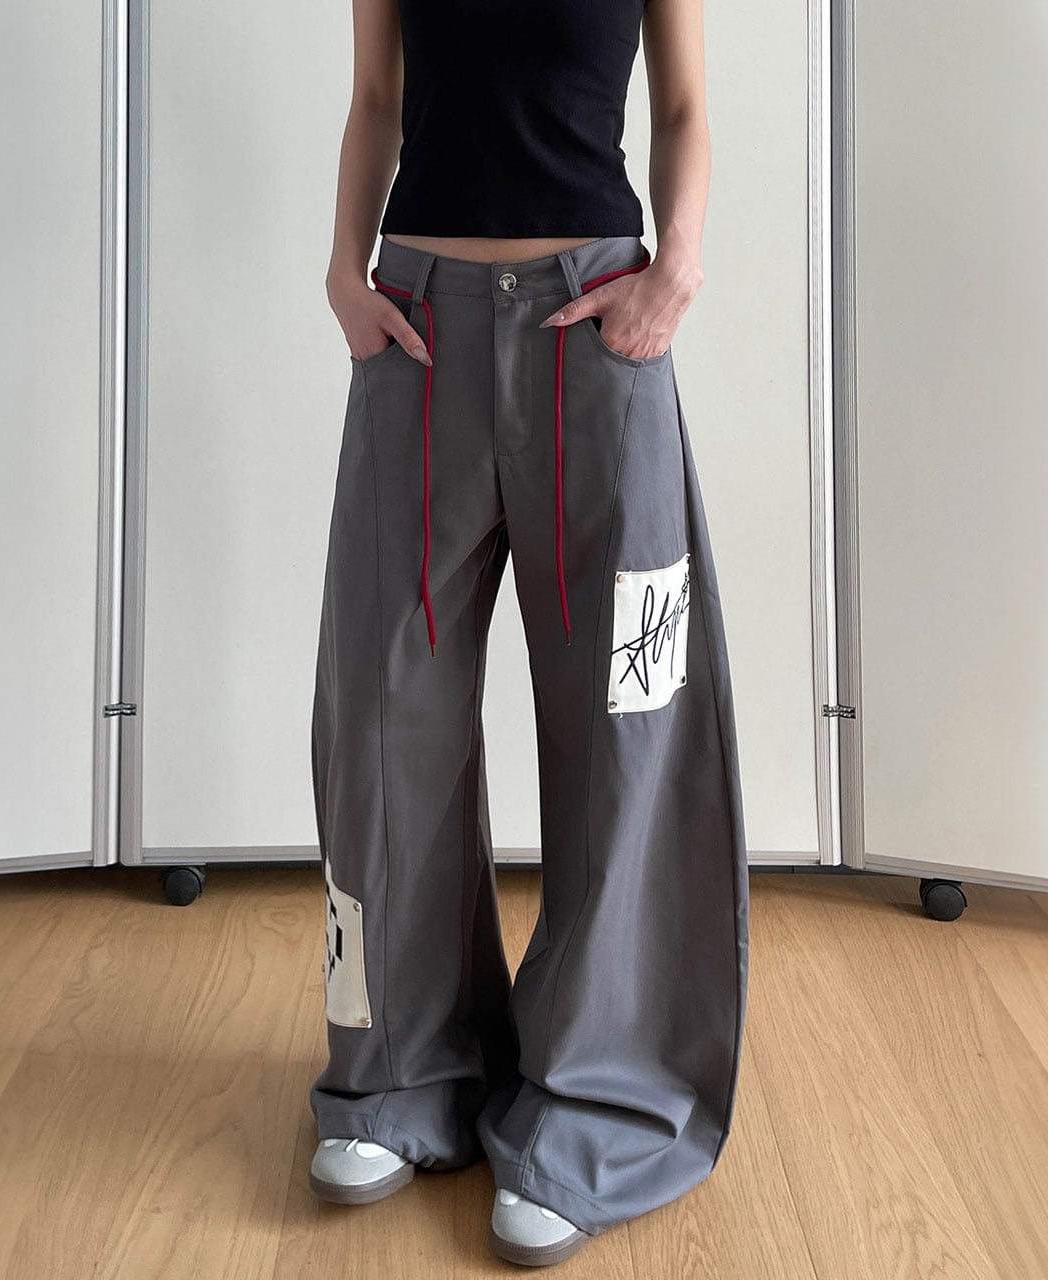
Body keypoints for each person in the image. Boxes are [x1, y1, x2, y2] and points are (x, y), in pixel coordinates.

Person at [308, 0, 749, 1267]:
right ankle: (396, 1070)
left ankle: (599, 1097)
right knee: (383, 711)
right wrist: (343, 270)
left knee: (628, 719)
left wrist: (677, 267)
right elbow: (377, 99)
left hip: (597, 331)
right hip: (416, 327)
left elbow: (682, 106)